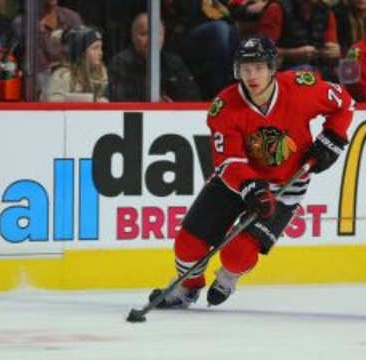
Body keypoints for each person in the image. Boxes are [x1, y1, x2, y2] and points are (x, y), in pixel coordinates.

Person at [149, 35, 354, 308]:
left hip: (284, 187)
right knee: (188, 246)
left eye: (258, 67)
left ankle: (227, 278)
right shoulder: (224, 107)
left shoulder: (301, 88)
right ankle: (188, 287)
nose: (252, 75)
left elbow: (345, 103)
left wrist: (333, 138)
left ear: (272, 68)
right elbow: (229, 162)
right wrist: (250, 186)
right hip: (236, 182)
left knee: (238, 253)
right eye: (245, 69)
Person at [107, 13, 201, 102]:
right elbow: (118, 102)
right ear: (133, 37)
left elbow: (193, 98)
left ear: (163, 37)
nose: (152, 40)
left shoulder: (174, 63)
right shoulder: (120, 63)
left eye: (158, 34)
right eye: (144, 34)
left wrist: (171, 106)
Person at [12, 0, 83, 91]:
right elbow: (39, 69)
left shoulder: (72, 17)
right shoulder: (23, 23)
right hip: (41, 91)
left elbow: (82, 56)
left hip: (74, 85)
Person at [40, 24, 108, 102]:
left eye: (101, 48)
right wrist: (85, 100)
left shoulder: (100, 72)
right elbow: (51, 101)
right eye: (95, 48)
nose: (100, 53)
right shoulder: (63, 75)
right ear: (80, 52)